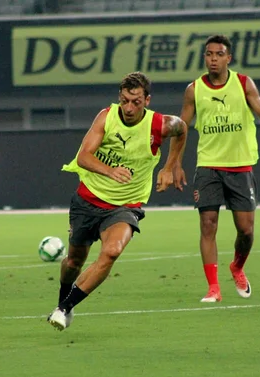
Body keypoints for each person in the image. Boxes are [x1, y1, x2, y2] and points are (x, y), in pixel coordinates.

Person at [47, 71, 188, 331]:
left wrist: (170, 166)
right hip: (88, 199)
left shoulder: (159, 125)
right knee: (73, 262)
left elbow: (182, 129)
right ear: (119, 98)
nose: (129, 107)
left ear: (147, 100)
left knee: (111, 252)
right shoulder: (106, 117)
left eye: (136, 101)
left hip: (125, 206)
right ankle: (62, 298)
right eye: (125, 100)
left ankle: (65, 308)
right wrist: (110, 171)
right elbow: (84, 157)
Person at [166, 34, 260, 302]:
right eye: (208, 54)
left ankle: (237, 267)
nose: (213, 59)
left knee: (246, 230)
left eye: (218, 54)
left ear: (228, 58)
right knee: (208, 224)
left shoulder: (243, 83)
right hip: (208, 166)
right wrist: (175, 164)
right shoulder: (194, 90)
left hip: (240, 166)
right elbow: (180, 129)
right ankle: (213, 288)